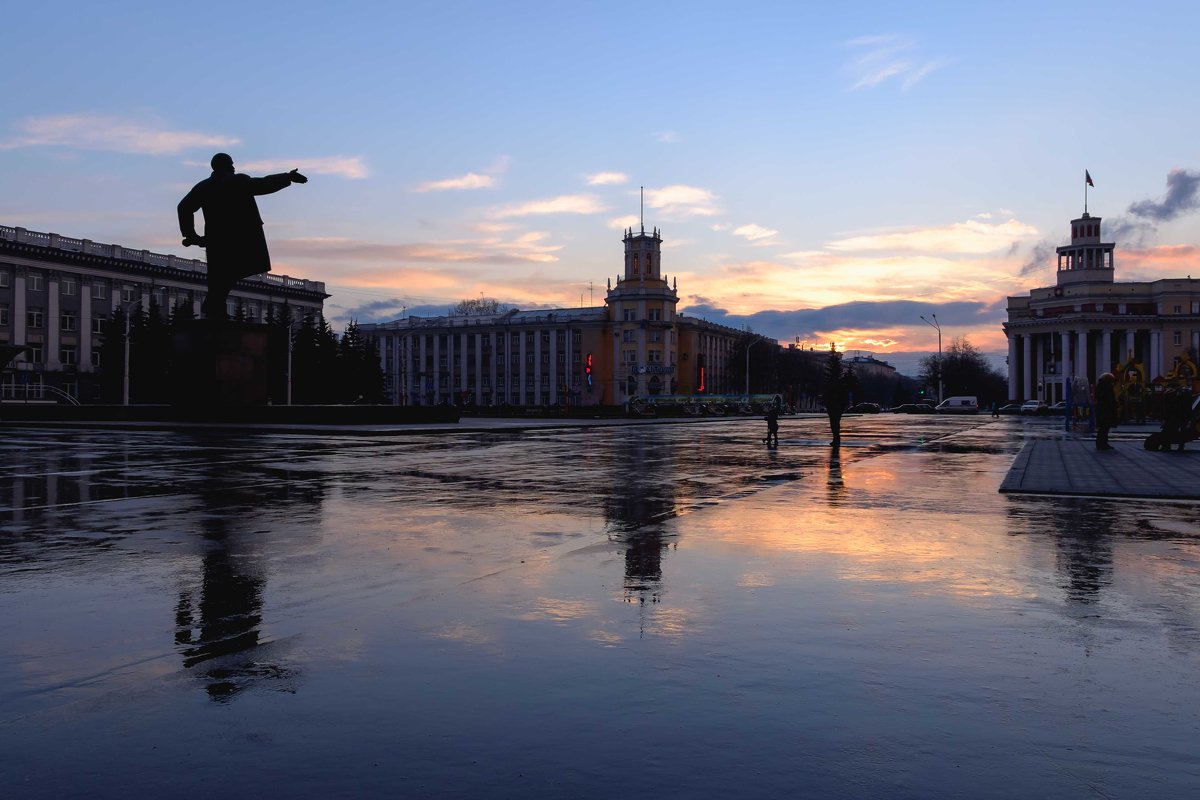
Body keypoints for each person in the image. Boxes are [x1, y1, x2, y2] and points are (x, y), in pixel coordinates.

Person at [178, 153, 307, 319]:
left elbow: (183, 207)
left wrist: (192, 235)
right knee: (230, 272)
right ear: (227, 166)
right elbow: (262, 184)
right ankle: (213, 306)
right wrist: (287, 177)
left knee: (221, 275)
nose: (233, 167)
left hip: (216, 237)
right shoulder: (236, 180)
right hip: (240, 236)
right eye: (231, 164)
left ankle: (214, 307)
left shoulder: (203, 187)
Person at [1095, 372, 1117, 450]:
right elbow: (1109, 400)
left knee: (1104, 428)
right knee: (1104, 428)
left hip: (1103, 411)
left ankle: (1102, 443)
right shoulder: (1106, 388)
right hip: (1105, 411)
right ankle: (1102, 443)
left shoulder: (1101, 387)